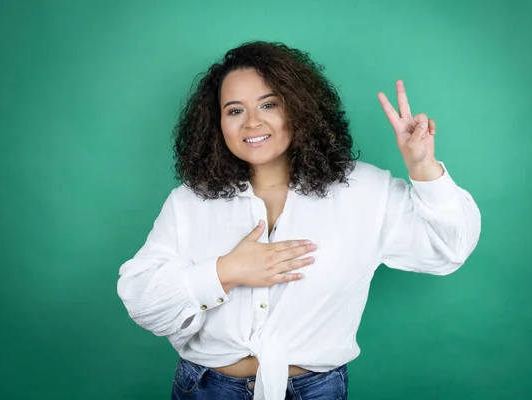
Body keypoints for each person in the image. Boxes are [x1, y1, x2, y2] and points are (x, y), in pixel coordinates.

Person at [116, 41, 481, 400]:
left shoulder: (365, 191)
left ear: (299, 108)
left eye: (269, 104)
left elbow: (449, 249)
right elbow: (142, 300)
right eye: (234, 110)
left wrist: (423, 166)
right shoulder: (190, 201)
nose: (252, 122)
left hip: (315, 391)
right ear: (217, 123)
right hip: (206, 389)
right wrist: (225, 271)